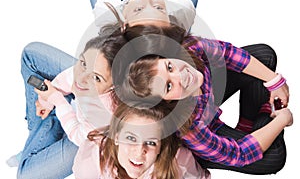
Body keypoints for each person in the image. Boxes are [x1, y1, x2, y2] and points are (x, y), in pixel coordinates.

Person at [118, 32, 293, 175]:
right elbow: (239, 153)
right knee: (274, 156)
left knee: (264, 55)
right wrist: (282, 119)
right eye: (169, 86)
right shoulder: (187, 127)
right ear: (167, 101)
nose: (181, 76)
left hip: (208, 98)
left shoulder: (189, 48)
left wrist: (274, 81)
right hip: (207, 134)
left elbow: (228, 53)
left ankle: (246, 126)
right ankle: (266, 116)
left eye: (169, 67)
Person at [13, 32, 128, 179]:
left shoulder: (104, 112)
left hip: (89, 140)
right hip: (77, 113)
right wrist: (46, 101)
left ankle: (38, 142)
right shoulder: (90, 67)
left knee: (25, 176)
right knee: (31, 54)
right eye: (83, 63)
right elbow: (69, 77)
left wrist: (58, 101)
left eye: (96, 78)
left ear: (113, 87)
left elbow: (78, 135)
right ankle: (37, 138)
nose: (82, 78)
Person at [73, 101, 211, 179]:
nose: (139, 152)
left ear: (160, 146)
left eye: (151, 142)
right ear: (116, 137)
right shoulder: (90, 163)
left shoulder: (179, 161)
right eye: (131, 138)